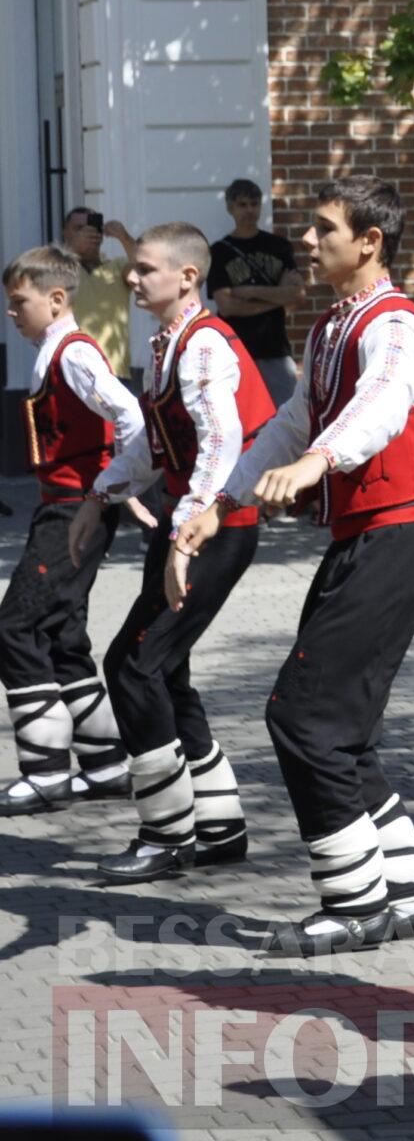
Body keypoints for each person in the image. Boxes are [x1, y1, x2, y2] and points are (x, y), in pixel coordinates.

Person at [175, 176, 414, 955]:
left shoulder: (394, 325)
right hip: (367, 538)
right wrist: (223, 502)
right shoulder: (334, 325)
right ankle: (407, 891)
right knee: (340, 727)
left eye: (324, 228)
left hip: (398, 536)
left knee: (302, 718)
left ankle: (356, 904)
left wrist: (322, 460)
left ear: (370, 241)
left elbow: (384, 403)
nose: (308, 240)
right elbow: (292, 421)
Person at [72, 223, 273, 882]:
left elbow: (222, 443)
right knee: (163, 667)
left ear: (187, 277)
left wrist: (186, 531)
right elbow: (155, 445)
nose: (131, 278)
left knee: (134, 665)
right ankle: (217, 826)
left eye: (145, 269)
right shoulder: (169, 343)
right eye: (133, 268)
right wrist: (101, 494)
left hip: (217, 524)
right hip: (192, 520)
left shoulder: (203, 344)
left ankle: (166, 833)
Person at [0, 245, 143, 815]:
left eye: (19, 304)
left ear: (56, 299)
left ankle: (45, 771)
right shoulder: (57, 351)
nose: (12, 315)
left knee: (14, 626)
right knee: (60, 631)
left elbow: (127, 412)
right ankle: (105, 763)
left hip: (71, 509)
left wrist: (117, 486)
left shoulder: (75, 354)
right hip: (64, 504)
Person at [209, 178, 305, 406]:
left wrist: (249, 290)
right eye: (242, 205)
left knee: (286, 415)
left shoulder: (279, 246)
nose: (249, 210)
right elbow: (227, 307)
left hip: (275, 349)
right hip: (234, 351)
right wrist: (276, 297)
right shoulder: (220, 251)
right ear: (230, 208)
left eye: (254, 204)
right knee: (240, 417)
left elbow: (296, 295)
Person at [61, 208, 135, 381]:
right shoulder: (59, 266)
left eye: (93, 227)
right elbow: (43, 278)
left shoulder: (118, 266)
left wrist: (125, 238)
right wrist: (72, 250)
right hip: (70, 372)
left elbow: (144, 273)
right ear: (65, 232)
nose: (86, 233)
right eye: (78, 229)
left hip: (114, 373)